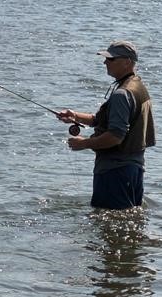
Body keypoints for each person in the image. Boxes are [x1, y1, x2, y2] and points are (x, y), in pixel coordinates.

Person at [57, 40, 155, 210]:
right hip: (134, 169)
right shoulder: (138, 87)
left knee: (106, 219)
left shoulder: (121, 94)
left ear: (127, 62)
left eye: (110, 59)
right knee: (127, 218)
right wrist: (75, 116)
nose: (105, 62)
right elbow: (104, 120)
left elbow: (116, 136)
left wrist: (84, 143)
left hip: (115, 171)